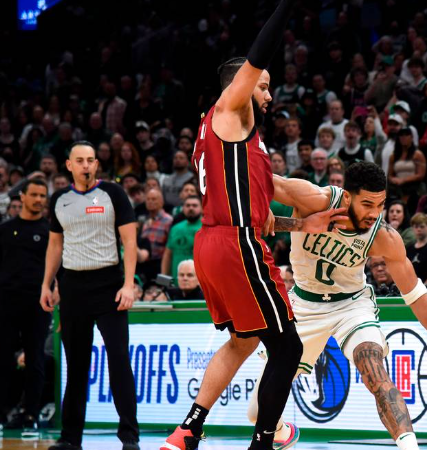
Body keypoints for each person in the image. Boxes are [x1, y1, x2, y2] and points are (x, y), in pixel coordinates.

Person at [161, 4, 342, 449]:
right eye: (262, 85)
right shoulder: (229, 111)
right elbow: (258, 56)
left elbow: (263, 211)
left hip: (215, 245)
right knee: (289, 348)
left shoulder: (242, 145)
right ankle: (264, 442)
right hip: (234, 245)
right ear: (240, 86)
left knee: (243, 342)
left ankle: (189, 429)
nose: (268, 92)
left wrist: (304, 221)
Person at [257, 161, 427, 450]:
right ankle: (281, 432)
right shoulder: (313, 201)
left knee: (373, 367)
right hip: (304, 305)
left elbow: (415, 292)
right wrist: (260, 208)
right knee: (257, 410)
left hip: (351, 306)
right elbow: (263, 180)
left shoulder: (384, 237)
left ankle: (410, 446)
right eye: (367, 203)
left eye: (380, 205)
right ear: (347, 197)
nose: (374, 213)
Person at [40, 142, 139, 450]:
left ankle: (129, 437)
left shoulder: (113, 193)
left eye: (90, 160)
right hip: (72, 289)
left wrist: (128, 284)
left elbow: (130, 242)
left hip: (109, 286)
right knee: (76, 366)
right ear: (68, 165)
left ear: (96, 164)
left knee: (119, 361)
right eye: (79, 161)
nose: (86, 165)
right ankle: (70, 439)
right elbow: (55, 246)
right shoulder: (59, 199)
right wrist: (47, 284)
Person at [0, 179, 50, 438]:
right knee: (0, 359)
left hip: (38, 303)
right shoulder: (4, 230)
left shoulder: (50, 231)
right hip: (6, 302)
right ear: (22, 197)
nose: (38, 200)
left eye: (43, 196)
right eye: (34, 195)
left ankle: (30, 415)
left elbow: (60, 270)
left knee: (35, 358)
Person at [162, 196, 202, 276]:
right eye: (187, 205)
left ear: (202, 208)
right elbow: (168, 254)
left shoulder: (207, 228)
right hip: (177, 279)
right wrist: (164, 276)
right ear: (183, 208)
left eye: (194, 205)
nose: (191, 208)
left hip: (199, 281)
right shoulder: (175, 228)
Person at [406, 213, 427, 286]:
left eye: (422, 226)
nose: (419, 229)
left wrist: (425, 285)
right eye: (416, 227)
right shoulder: (409, 248)